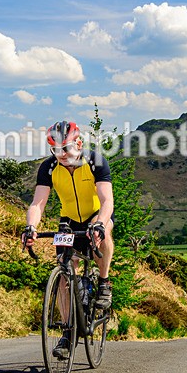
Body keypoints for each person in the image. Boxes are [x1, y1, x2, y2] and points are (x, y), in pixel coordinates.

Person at [22, 120, 114, 360]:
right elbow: (38, 203)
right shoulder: (49, 168)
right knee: (65, 272)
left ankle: (103, 283)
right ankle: (68, 332)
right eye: (55, 149)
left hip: (96, 215)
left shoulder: (96, 162)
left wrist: (100, 223)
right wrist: (31, 226)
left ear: (79, 143)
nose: (61, 154)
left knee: (104, 234)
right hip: (70, 221)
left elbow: (107, 201)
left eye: (66, 148)